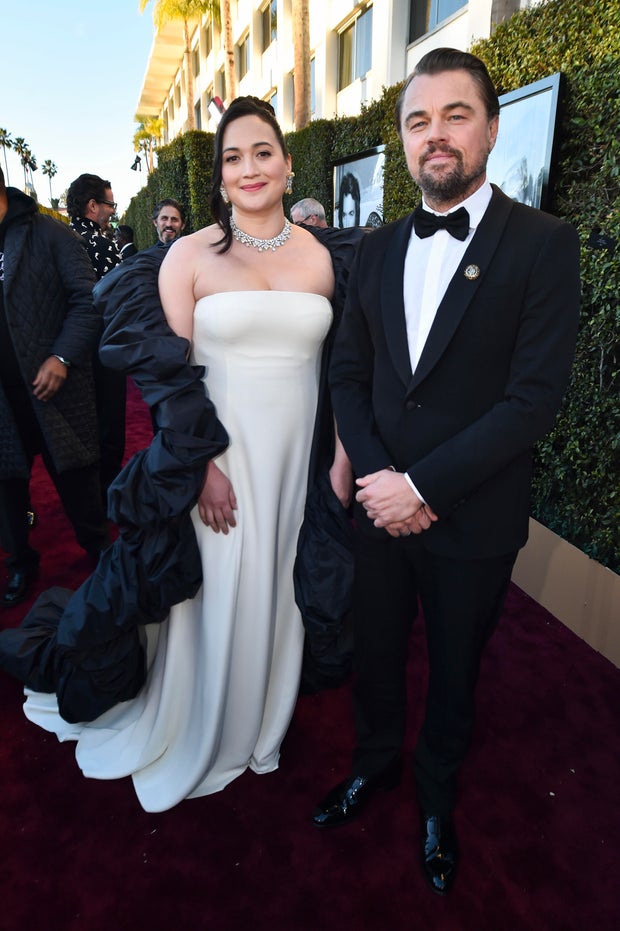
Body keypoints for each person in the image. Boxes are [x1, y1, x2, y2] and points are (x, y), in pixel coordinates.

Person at [8, 96, 351, 812]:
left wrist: (340, 462)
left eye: (263, 152)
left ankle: (264, 721)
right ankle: (207, 725)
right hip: (219, 463)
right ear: (220, 179)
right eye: (233, 158)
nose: (249, 168)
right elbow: (170, 381)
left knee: (280, 586)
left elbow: (349, 369)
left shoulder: (325, 256)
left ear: (288, 164)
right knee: (223, 589)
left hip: (297, 463)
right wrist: (200, 469)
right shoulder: (188, 256)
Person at [311, 48, 580, 896]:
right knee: (377, 651)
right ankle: (375, 764)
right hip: (379, 507)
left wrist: (419, 488)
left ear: (491, 129)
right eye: (418, 120)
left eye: (455, 115)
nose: (436, 135)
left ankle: (436, 797)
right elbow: (349, 375)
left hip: (472, 517)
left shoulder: (544, 243)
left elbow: (533, 400)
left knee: (457, 670)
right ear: (402, 139)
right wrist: (383, 479)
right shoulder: (378, 245)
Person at [0, 167, 110, 606]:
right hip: (3, 401)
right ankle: (21, 564)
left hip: (54, 390)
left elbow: (90, 299)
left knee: (78, 481)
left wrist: (62, 356)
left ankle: (101, 553)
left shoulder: (50, 234)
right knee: (6, 489)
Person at [67, 173, 126, 502]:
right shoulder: (101, 246)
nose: (112, 212)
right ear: (93, 206)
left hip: (69, 351)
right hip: (105, 349)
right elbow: (119, 300)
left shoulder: (59, 240)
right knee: (109, 426)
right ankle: (108, 495)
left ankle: (87, 496)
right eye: (110, 204)